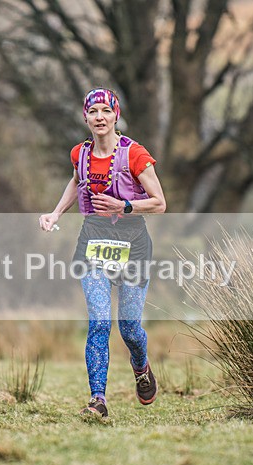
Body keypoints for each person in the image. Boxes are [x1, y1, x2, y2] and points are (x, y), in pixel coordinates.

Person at [39, 87, 166, 418]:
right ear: (85, 117)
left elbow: (160, 203)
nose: (99, 117)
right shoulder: (79, 153)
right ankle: (98, 399)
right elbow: (75, 182)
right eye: (93, 112)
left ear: (116, 116)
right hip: (94, 241)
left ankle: (141, 367)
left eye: (105, 112)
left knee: (129, 329)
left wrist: (124, 205)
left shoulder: (135, 154)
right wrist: (55, 213)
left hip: (133, 244)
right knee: (99, 322)